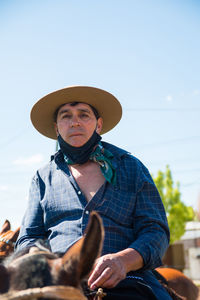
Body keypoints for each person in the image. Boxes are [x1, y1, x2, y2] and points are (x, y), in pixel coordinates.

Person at [16, 86, 172, 299]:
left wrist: (122, 261)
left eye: (83, 114)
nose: (75, 122)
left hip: (127, 280)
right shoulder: (42, 177)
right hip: (58, 286)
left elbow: (155, 231)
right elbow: (28, 238)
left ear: (98, 124)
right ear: (56, 128)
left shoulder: (132, 168)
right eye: (66, 116)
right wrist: (51, 265)